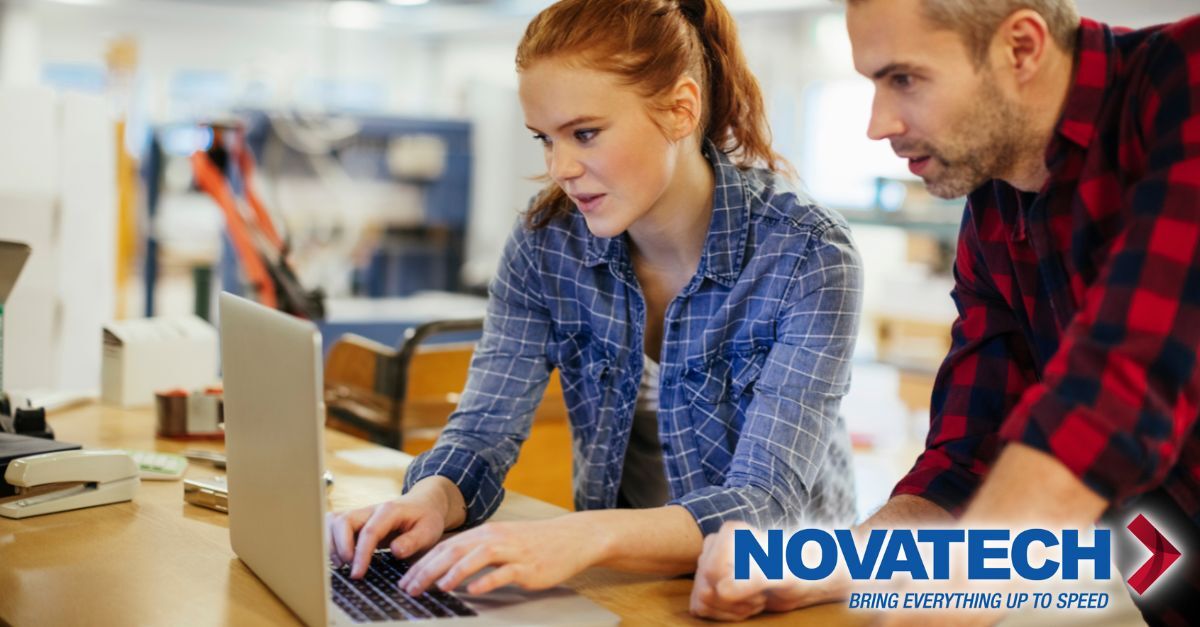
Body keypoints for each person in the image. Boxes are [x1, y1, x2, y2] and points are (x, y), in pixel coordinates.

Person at [326, 0, 863, 599]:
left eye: (585, 133)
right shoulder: (545, 244)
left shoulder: (808, 254)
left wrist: (580, 536)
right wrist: (430, 498)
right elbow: (481, 433)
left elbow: (765, 504)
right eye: (545, 139)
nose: (561, 167)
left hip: (785, 591)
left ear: (681, 109)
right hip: (628, 581)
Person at [691, 0, 1200, 624]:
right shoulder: (993, 208)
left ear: (1021, 48)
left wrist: (950, 599)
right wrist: (825, 566)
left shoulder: (1184, 78)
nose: (877, 124)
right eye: (872, 82)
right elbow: (963, 462)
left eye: (903, 79)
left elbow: (1127, 378)